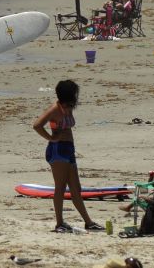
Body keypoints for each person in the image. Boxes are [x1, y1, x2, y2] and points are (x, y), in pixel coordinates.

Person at [33, 80, 104, 233]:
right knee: (60, 187)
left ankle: (88, 222)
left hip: (68, 149)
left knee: (75, 188)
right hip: (58, 150)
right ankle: (59, 223)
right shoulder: (54, 109)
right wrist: (51, 138)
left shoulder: (68, 107)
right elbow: (37, 125)